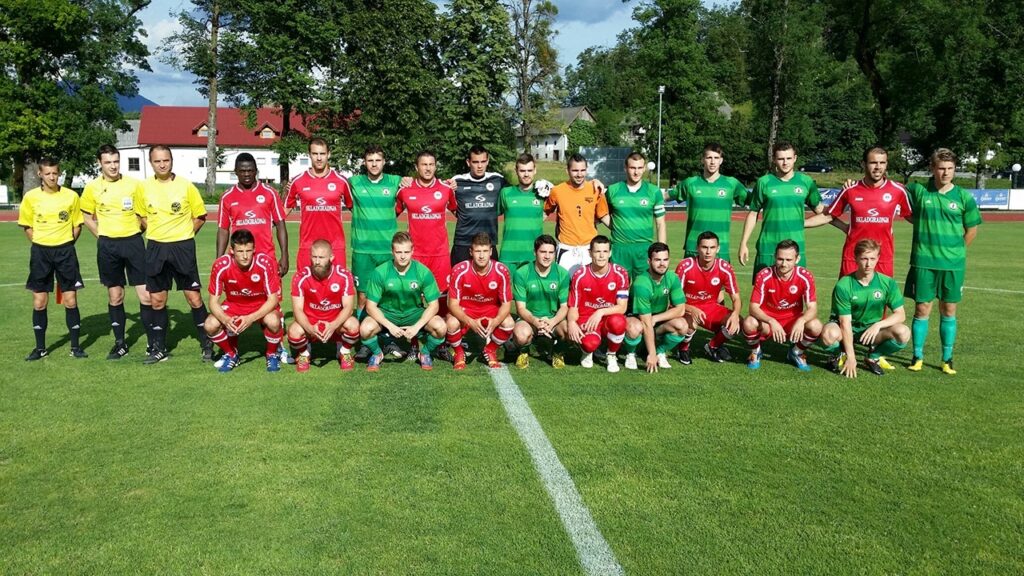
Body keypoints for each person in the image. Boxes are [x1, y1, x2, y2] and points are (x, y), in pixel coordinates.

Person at [903, 148, 982, 375]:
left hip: (952, 265)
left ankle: (947, 358)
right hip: (923, 262)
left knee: (948, 309)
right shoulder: (918, 190)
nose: (945, 173)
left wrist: (955, 252)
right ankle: (917, 356)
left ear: (955, 169)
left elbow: (972, 230)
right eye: (941, 168)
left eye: (950, 168)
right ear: (932, 168)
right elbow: (891, 191)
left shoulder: (963, 197)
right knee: (922, 309)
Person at [140, 145, 211, 364]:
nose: (162, 164)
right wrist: (159, 233)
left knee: (193, 297)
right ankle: (159, 348)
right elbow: (142, 216)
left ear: (171, 161)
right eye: (157, 161)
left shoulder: (185, 186)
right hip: (156, 247)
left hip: (182, 247)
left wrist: (184, 235)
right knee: (157, 300)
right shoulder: (143, 188)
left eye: (166, 160)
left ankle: (208, 344)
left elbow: (200, 216)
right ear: (151, 163)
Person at [80, 144, 151, 360]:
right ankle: (120, 343)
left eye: (116, 161)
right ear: (99, 163)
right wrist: (102, 235)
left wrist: (136, 232)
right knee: (115, 295)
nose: (113, 166)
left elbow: (144, 215)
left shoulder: (134, 185)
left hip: (133, 243)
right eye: (108, 162)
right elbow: (86, 216)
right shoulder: (92, 188)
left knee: (146, 295)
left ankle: (153, 342)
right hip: (108, 246)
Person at [19, 157, 86, 360]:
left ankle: (75, 347)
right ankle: (40, 348)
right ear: (40, 174)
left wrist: (65, 243)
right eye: (47, 173)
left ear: (59, 173)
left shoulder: (71, 196)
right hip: (41, 253)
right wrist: (41, 242)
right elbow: (27, 226)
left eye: (55, 173)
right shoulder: (30, 197)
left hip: (65, 252)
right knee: (39, 301)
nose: (51, 177)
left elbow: (77, 225)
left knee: (70, 300)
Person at [818, 239, 910, 377]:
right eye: (864, 258)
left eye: (872, 259)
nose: (868, 264)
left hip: (871, 331)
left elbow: (901, 314)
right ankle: (839, 353)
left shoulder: (887, 282)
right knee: (828, 334)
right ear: (855, 258)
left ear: (878, 258)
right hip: (845, 329)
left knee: (903, 332)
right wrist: (851, 357)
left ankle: (873, 357)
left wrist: (878, 325)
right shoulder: (844, 285)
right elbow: (845, 323)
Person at [359, 232, 448, 371]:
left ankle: (424, 353)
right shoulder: (380, 272)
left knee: (441, 327)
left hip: (414, 314)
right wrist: (390, 326)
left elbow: (434, 305)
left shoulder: (423, 272)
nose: (402, 256)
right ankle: (377, 354)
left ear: (412, 251)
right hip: (387, 314)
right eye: (398, 252)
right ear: (392, 251)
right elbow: (370, 307)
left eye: (406, 252)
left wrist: (417, 326)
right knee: (365, 329)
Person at [739, 142, 824, 280]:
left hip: (795, 249)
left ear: (795, 158)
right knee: (763, 291)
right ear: (774, 159)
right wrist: (743, 243)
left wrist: (845, 226)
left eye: (789, 158)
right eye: (781, 159)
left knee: (796, 290)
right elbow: (753, 213)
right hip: (768, 248)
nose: (785, 162)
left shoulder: (806, 181)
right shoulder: (763, 182)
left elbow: (822, 211)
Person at [203, 230, 283, 372]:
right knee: (210, 324)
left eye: (249, 251)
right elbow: (213, 302)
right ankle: (231, 354)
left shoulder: (265, 263)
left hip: (261, 304)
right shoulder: (221, 265)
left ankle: (271, 354)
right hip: (234, 304)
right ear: (231, 250)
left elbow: (273, 299)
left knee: (273, 321)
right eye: (240, 251)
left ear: (254, 249)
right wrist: (226, 319)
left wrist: (250, 318)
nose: (245, 256)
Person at [741, 240, 822, 371]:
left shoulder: (805, 276)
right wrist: (771, 321)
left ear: (797, 259)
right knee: (749, 323)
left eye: (789, 260)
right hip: (768, 324)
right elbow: (753, 307)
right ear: (775, 257)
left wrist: (801, 320)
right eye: (780, 259)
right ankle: (756, 352)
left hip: (792, 323)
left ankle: (796, 352)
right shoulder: (764, 275)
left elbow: (813, 308)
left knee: (816, 326)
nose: (784, 264)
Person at [395, 151, 458, 311]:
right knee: (414, 295)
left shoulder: (446, 189)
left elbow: (458, 212)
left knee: (441, 296)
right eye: (424, 164)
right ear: (416, 167)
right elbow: (391, 215)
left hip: (440, 254)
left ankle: (441, 326)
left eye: (431, 164)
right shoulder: (405, 190)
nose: (428, 168)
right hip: (415, 253)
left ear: (436, 166)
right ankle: (415, 327)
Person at [286, 240, 361, 372]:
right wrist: (310, 328)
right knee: (293, 332)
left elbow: (348, 308)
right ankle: (304, 353)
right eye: (314, 257)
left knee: (354, 325)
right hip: (311, 322)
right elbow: (297, 310)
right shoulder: (300, 277)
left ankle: (344, 351)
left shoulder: (344, 275)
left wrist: (333, 325)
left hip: (336, 323)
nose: (317, 261)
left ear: (331, 257)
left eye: (321, 257)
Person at [445, 233, 515, 369]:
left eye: (485, 251)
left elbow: (506, 304)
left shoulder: (501, 271)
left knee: (509, 323)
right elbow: (452, 304)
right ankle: (459, 352)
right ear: (471, 252)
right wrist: (470, 321)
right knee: (451, 323)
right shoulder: (459, 270)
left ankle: (490, 350)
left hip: (490, 310)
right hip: (466, 310)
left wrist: (495, 321)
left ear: (491, 252)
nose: (481, 256)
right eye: (477, 251)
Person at [668, 142, 748, 261]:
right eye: (709, 157)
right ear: (702, 160)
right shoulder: (690, 183)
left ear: (721, 160)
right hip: (694, 248)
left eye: (716, 158)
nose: (712, 162)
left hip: (720, 249)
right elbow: (665, 196)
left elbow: (755, 200)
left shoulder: (732, 184)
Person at [347, 145, 404, 305]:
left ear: (384, 162)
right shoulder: (354, 182)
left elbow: (418, 185)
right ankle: (362, 321)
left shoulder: (396, 181)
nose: (374, 164)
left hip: (387, 249)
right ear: (364, 162)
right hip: (362, 250)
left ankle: (385, 323)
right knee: (363, 297)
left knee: (388, 295)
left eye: (378, 160)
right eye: (370, 160)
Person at [674, 231, 742, 364]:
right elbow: (674, 299)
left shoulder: (725, 267)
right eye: (704, 247)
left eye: (712, 247)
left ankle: (712, 346)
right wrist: (691, 309)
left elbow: (736, 298)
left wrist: (735, 315)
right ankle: (683, 348)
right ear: (697, 248)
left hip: (711, 308)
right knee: (689, 324)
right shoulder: (685, 266)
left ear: (718, 248)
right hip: (686, 307)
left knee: (739, 323)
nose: (708, 252)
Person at [284, 138, 351, 271]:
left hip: (335, 247)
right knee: (306, 283)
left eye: (322, 154)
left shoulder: (341, 181)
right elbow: (283, 211)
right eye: (315, 154)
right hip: (308, 247)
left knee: (337, 283)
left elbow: (356, 209)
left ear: (328, 154)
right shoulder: (297, 181)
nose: (319, 158)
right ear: (309, 155)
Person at [620, 242, 689, 372]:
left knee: (682, 325)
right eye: (657, 260)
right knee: (635, 328)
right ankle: (631, 353)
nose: (662, 264)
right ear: (649, 261)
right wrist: (650, 354)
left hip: (655, 320)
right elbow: (646, 322)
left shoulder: (672, 278)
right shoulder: (642, 283)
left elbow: (680, 309)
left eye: (665, 260)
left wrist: (656, 318)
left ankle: (660, 352)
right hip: (638, 319)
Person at [216, 153, 288, 276]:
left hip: (266, 257)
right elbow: (223, 230)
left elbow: (280, 225)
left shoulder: (269, 193)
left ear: (256, 171)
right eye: (242, 171)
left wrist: (285, 255)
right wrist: (219, 260)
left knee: (271, 289)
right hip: (239, 260)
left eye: (250, 170)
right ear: (236, 172)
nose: (246, 174)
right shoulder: (227, 197)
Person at [566, 235, 629, 372]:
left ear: (610, 253)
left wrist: (600, 312)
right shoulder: (580, 275)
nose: (601, 256)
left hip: (607, 317)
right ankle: (586, 352)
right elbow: (573, 307)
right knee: (590, 344)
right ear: (590, 253)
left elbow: (622, 307)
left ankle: (611, 355)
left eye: (605, 251)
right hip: (587, 319)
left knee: (619, 322)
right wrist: (571, 322)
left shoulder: (620, 273)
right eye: (597, 251)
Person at [601, 152, 666, 279]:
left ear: (644, 168)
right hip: (619, 248)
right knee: (619, 288)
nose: (636, 172)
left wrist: (662, 251)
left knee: (642, 287)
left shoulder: (654, 191)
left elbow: (660, 223)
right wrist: (617, 227)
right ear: (625, 168)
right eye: (632, 168)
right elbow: (602, 213)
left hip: (644, 249)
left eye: (639, 168)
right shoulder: (613, 190)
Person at [511, 234, 571, 369]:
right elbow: (521, 308)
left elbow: (564, 307)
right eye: (543, 252)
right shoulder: (521, 273)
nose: (547, 256)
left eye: (551, 252)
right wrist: (535, 322)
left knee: (570, 330)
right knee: (521, 335)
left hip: (553, 320)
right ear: (535, 252)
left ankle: (557, 352)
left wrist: (552, 322)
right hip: (530, 320)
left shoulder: (562, 273)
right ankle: (524, 352)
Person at [544, 154, 610, 273]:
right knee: (565, 283)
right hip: (566, 249)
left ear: (586, 170)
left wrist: (624, 230)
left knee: (591, 283)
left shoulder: (596, 189)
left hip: (590, 249)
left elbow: (604, 216)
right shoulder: (557, 191)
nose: (579, 174)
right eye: (575, 170)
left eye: (582, 170)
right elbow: (544, 213)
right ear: (567, 170)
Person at [450, 145, 507, 265]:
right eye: (475, 162)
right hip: (463, 243)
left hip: (488, 244)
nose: (480, 166)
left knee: (490, 277)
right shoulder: (457, 181)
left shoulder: (498, 180)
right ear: (468, 162)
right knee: (460, 276)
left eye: (483, 161)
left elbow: (516, 192)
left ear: (488, 161)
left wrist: (542, 187)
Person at [498, 153, 552, 271]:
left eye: (529, 170)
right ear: (516, 171)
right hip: (508, 256)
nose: (526, 174)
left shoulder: (542, 194)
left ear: (535, 170)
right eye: (522, 170)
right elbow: (492, 214)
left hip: (533, 256)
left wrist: (551, 188)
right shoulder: (505, 193)